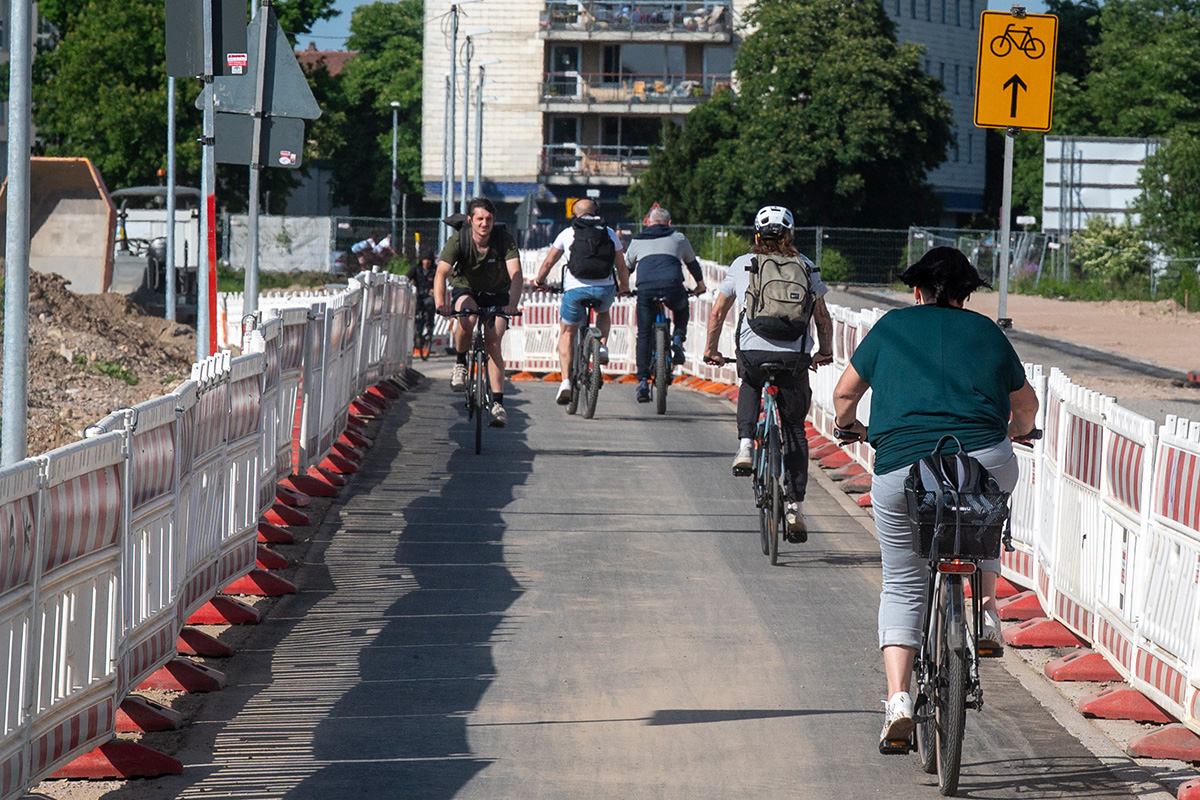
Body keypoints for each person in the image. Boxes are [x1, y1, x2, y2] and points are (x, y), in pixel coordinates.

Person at [830, 246, 1039, 747]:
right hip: (981, 462)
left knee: (904, 583)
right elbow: (1026, 404)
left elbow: (843, 395)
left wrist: (848, 426)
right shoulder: (987, 332)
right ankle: (985, 611)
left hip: (904, 470)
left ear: (916, 290)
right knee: (985, 515)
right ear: (967, 293)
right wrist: (1020, 431)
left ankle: (898, 701)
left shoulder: (891, 327)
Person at [703, 205, 833, 539]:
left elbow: (717, 313)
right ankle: (795, 508)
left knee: (750, 382)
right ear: (790, 234)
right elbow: (822, 317)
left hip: (753, 353)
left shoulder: (742, 264)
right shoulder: (806, 265)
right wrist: (825, 351)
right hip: (794, 358)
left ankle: (746, 444)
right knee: (795, 429)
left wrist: (711, 350)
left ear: (757, 235)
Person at [434, 198, 524, 428]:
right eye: (480, 219)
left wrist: (512, 304)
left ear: (494, 220)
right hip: (467, 288)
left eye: (489, 219)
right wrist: (441, 304)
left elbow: (516, 274)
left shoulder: (504, 240)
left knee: (493, 342)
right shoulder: (459, 240)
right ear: (470, 220)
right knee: (467, 318)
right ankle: (460, 364)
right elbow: (441, 273)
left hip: (497, 293)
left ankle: (498, 404)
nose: (485, 224)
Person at [533, 199, 631, 405]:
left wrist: (539, 282)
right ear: (596, 212)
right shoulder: (609, 233)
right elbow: (621, 266)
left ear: (574, 214)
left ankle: (565, 382)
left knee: (567, 332)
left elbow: (549, 262)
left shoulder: (568, 233)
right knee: (603, 312)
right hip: (604, 289)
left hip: (575, 289)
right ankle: (601, 346)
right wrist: (624, 286)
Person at [623, 207, 707, 403]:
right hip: (672, 286)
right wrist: (700, 285)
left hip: (646, 289)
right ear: (669, 223)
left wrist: (623, 287)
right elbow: (692, 264)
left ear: (649, 223)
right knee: (681, 307)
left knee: (644, 334)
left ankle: (643, 381)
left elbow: (626, 268)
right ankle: (678, 338)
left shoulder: (637, 240)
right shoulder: (678, 238)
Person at [408, 251, 438, 345]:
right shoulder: (416, 269)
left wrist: (435, 289)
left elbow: (440, 282)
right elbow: (407, 278)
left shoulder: (435, 270)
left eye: (429, 260)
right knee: (416, 310)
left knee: (430, 305)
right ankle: (417, 331)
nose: (427, 262)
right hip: (418, 294)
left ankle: (429, 329)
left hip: (429, 295)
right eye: (425, 259)